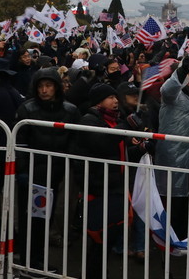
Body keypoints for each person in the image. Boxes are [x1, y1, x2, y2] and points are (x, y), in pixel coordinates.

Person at [14, 68, 81, 271]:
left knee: (47, 218)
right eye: (41, 86)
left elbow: (75, 141)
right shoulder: (27, 109)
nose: (44, 90)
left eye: (48, 86)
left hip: (57, 174)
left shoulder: (70, 110)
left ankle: (37, 260)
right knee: (29, 220)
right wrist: (22, 171)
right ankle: (29, 261)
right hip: (33, 174)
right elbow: (20, 142)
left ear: (56, 87)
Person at [71, 84, 129, 277]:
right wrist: (127, 126)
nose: (115, 101)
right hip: (98, 186)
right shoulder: (89, 120)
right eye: (110, 98)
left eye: (115, 97)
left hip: (114, 185)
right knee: (99, 238)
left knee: (108, 236)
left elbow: (119, 147)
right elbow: (104, 143)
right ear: (98, 102)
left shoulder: (113, 120)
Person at [154, 56, 189, 240]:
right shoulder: (173, 94)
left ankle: (183, 237)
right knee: (171, 199)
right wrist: (180, 71)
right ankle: (168, 239)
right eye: (188, 72)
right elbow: (168, 89)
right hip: (171, 155)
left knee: (187, 199)